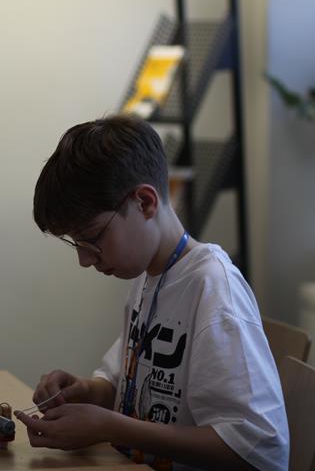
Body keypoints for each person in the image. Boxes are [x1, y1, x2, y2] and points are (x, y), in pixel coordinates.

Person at [14, 115, 288, 470]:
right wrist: (85, 391)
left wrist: (110, 427)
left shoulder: (212, 287)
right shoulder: (149, 279)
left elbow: (259, 449)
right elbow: (125, 388)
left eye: (92, 238)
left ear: (144, 202)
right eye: (76, 244)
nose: (84, 260)